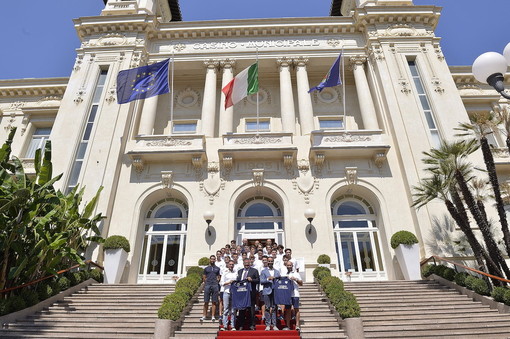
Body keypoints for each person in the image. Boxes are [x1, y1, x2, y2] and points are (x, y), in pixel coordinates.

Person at [236, 258, 260, 330]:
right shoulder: (240, 271)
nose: (246, 264)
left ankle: (252, 325)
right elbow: (237, 281)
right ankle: (241, 325)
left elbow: (258, 280)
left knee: (251, 309)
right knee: (241, 309)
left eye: (248, 263)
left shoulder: (254, 271)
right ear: (243, 263)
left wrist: (252, 280)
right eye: (245, 263)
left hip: (250, 292)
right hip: (241, 292)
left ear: (250, 263)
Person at [260, 256, 280, 331]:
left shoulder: (277, 271)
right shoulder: (263, 271)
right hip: (266, 291)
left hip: (275, 291)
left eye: (271, 261)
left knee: (274, 308)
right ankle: (268, 324)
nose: (270, 262)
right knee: (267, 308)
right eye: (269, 261)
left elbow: (279, 281)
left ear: (273, 262)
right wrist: (268, 279)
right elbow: (261, 281)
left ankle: (274, 325)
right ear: (267, 262)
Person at [283, 261, 302, 331]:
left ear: (292, 266)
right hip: (287, 295)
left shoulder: (296, 274)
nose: (289, 266)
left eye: (290, 265)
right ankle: (288, 325)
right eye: (288, 265)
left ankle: (297, 325)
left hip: (295, 294)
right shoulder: (284, 274)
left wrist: (295, 279)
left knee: (296, 309)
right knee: (287, 310)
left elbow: (301, 283)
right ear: (286, 266)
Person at [202, 255, 221, 322]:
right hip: (208, 285)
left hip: (215, 285)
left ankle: (213, 316)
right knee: (206, 301)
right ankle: (204, 315)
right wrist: (206, 282)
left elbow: (219, 276)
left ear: (215, 260)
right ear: (210, 260)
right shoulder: (206, 268)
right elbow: (204, 276)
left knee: (214, 302)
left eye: (213, 259)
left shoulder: (217, 268)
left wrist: (217, 280)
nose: (212, 260)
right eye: (211, 259)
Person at [220, 260, 238, 331]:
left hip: (234, 293)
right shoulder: (225, 273)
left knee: (233, 310)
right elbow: (221, 283)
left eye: (232, 264)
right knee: (226, 309)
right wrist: (228, 283)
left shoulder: (236, 273)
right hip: (226, 292)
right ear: (228, 265)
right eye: (230, 264)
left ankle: (233, 325)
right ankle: (225, 325)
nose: (231, 266)